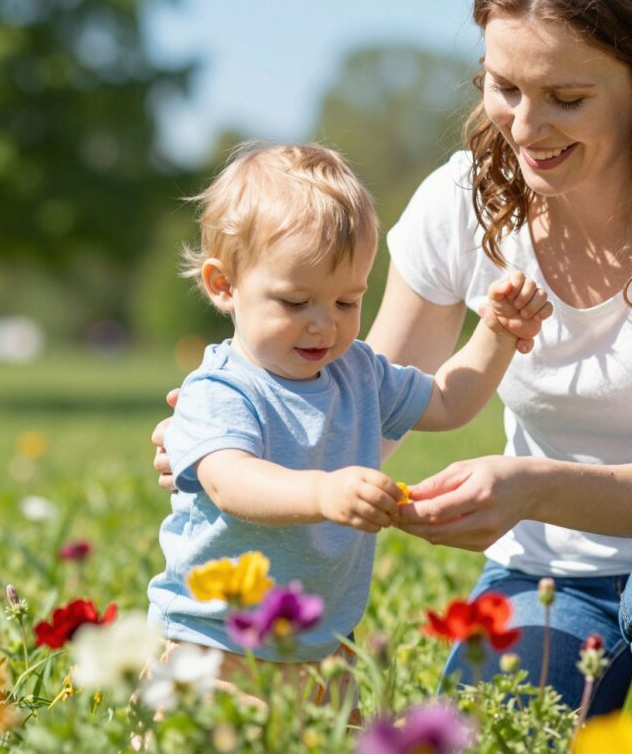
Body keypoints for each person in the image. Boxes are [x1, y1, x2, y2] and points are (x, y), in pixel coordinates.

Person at [153, 0, 632, 727]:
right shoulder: (463, 200)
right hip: (551, 580)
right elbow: (355, 402)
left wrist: (533, 486)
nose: (524, 128)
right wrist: (234, 437)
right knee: (499, 721)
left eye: (566, 97)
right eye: (504, 87)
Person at [145, 143, 551, 702]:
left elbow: (446, 402)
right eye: (294, 302)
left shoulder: (356, 372)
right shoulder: (221, 387)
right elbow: (229, 480)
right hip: (217, 645)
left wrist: (497, 335)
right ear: (223, 286)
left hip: (324, 645)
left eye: (347, 302)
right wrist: (324, 491)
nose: (323, 325)